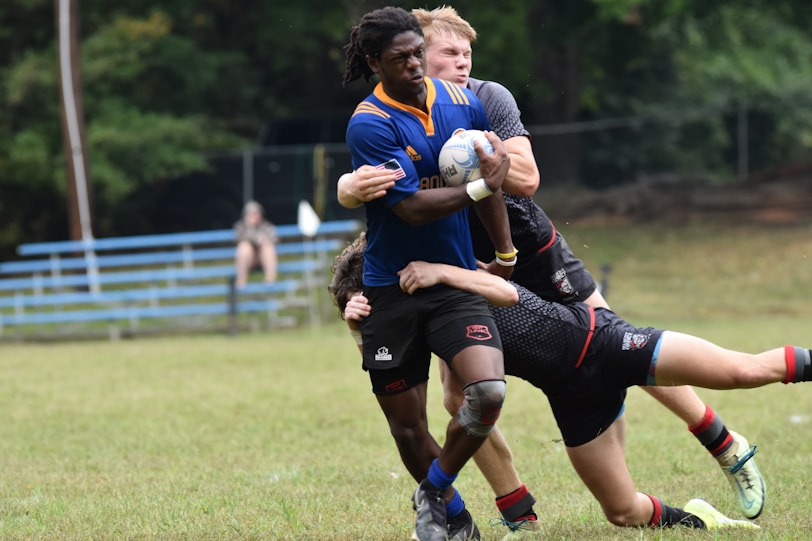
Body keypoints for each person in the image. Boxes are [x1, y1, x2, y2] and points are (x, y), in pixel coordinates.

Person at [336, 6, 765, 536]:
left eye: (464, 54)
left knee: (612, 342)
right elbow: (384, 200)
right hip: (456, 262)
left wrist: (492, 199)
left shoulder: (485, 99)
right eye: (448, 52)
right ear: (391, 60)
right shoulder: (382, 114)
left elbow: (528, 178)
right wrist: (348, 186)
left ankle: (721, 440)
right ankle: (516, 508)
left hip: (527, 247)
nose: (458, 63)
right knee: (458, 395)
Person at [329, 234, 812, 532]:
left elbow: (500, 288)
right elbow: (395, 374)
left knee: (744, 370)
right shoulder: (427, 329)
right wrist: (358, 328)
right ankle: (703, 520)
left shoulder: (447, 275)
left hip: (604, 344)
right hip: (574, 400)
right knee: (622, 512)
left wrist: (442, 271)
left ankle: (726, 438)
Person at [342, 7, 518, 541]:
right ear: (375, 63)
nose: (416, 65)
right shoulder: (369, 124)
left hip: (452, 281)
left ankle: (433, 491)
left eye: (418, 52)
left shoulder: (464, 103)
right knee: (408, 426)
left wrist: (505, 253)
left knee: (487, 393)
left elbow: (490, 178)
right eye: (401, 58)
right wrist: (482, 187)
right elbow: (411, 209)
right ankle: (456, 516)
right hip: (390, 290)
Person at [232, 200, 278, 289]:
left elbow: (275, 238)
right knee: (244, 247)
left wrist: (263, 240)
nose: (254, 216)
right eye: (251, 214)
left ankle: (270, 279)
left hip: (262, 258)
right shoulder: (240, 226)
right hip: (248, 260)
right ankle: (241, 280)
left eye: (256, 213)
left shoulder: (266, 226)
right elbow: (238, 239)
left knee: (268, 247)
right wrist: (254, 235)